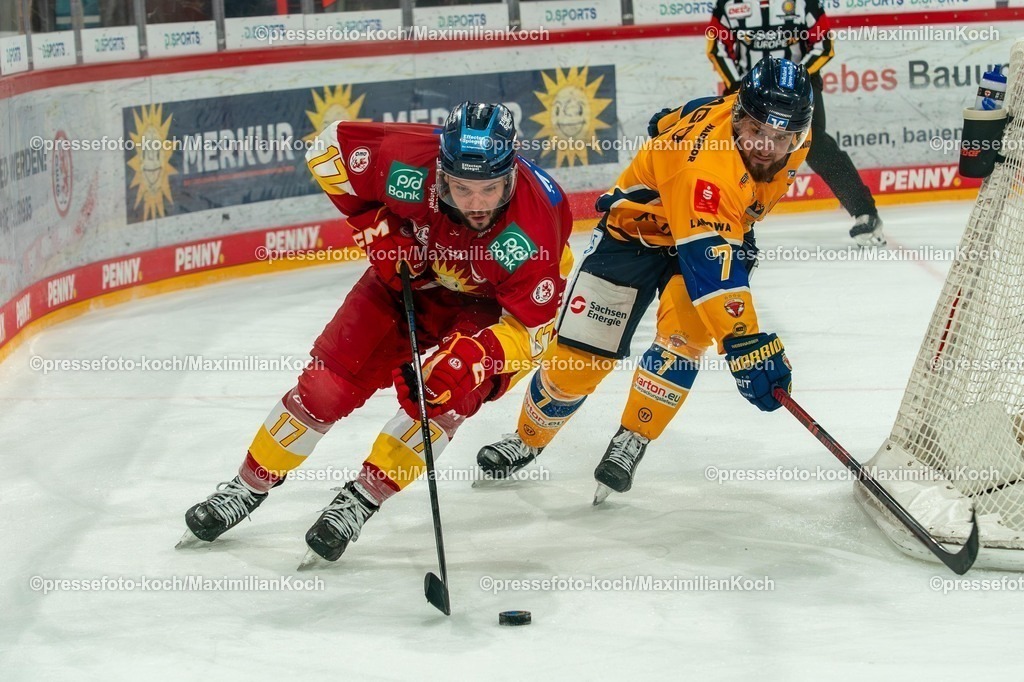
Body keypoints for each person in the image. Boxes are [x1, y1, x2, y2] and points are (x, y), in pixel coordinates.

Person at [180, 102, 574, 561]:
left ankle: (361, 499)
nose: (475, 204)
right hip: (409, 280)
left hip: (489, 310)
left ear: (510, 173)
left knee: (440, 399)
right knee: (327, 386)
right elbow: (327, 150)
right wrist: (376, 228)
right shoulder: (410, 156)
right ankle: (246, 487)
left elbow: (536, 333)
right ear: (441, 171)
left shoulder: (535, 229)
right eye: (461, 188)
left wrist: (477, 357)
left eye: (489, 189)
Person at [476, 57, 807, 503]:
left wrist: (669, 121)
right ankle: (528, 438)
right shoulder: (703, 170)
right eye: (757, 133)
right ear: (739, 118)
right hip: (635, 232)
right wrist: (745, 343)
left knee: (685, 339)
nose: (768, 146)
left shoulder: (763, 124)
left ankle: (633, 436)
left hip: (717, 230)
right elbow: (709, 269)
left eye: (782, 137)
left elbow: (697, 107)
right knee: (581, 355)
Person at [706, 0, 885, 247]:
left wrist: (796, 79)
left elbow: (823, 45)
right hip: (750, 91)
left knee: (816, 144)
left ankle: (865, 212)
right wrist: (737, 85)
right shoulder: (728, 4)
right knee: (734, 149)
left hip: (799, 89)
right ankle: (719, 218)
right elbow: (717, 48)